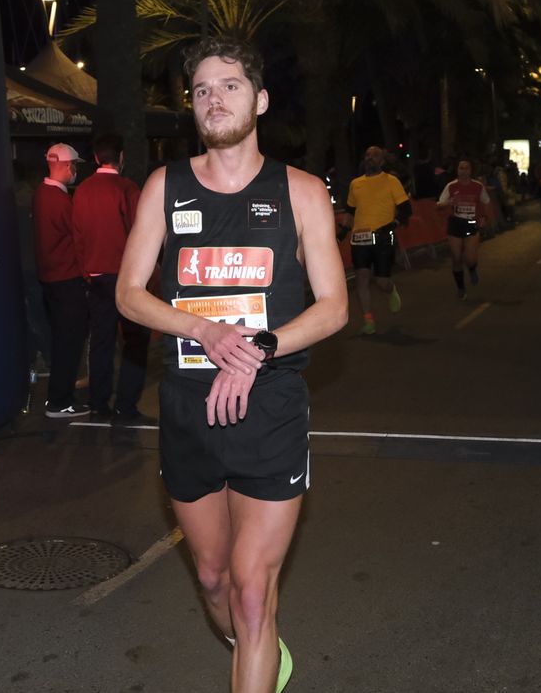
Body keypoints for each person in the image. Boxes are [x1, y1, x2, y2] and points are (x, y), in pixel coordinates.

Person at [116, 37, 347, 693]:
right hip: (188, 409)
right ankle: (257, 645)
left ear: (261, 99)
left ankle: (256, 642)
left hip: (270, 407)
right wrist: (202, 329)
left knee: (251, 588)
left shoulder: (300, 192)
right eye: (201, 91)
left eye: (230, 85)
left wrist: (262, 345)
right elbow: (129, 293)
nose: (214, 99)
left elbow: (333, 307)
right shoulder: (166, 187)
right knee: (214, 579)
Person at [72, 133, 150, 421]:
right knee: (135, 341)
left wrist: (86, 271)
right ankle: (126, 405)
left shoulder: (82, 190)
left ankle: (98, 403)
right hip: (127, 277)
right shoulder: (126, 188)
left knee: (102, 341)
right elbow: (140, 232)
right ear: (120, 157)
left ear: (94, 158)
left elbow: (77, 236)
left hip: (96, 278)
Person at [33, 142, 90, 418]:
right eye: (75, 166)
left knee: (61, 340)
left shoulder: (41, 195)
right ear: (68, 166)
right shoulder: (60, 200)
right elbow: (80, 237)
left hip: (50, 280)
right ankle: (60, 401)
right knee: (70, 342)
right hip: (67, 280)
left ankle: (60, 395)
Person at [342, 146, 411, 335]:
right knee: (362, 279)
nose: (369, 158)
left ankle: (391, 289)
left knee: (381, 281)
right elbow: (350, 211)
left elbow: (406, 209)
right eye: (367, 155)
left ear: (382, 161)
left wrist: (394, 224)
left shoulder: (391, 181)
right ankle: (368, 320)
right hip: (360, 239)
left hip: (382, 238)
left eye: (374, 156)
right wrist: (341, 232)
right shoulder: (356, 183)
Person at [437, 160, 492, 299]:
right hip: (455, 224)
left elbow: (486, 202)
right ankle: (461, 288)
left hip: (471, 223)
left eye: (466, 168)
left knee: (470, 259)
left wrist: (484, 217)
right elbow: (439, 204)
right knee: (456, 258)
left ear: (470, 171)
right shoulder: (451, 186)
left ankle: (472, 269)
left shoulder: (478, 186)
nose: (464, 171)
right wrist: (448, 203)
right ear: (457, 170)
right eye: (461, 168)